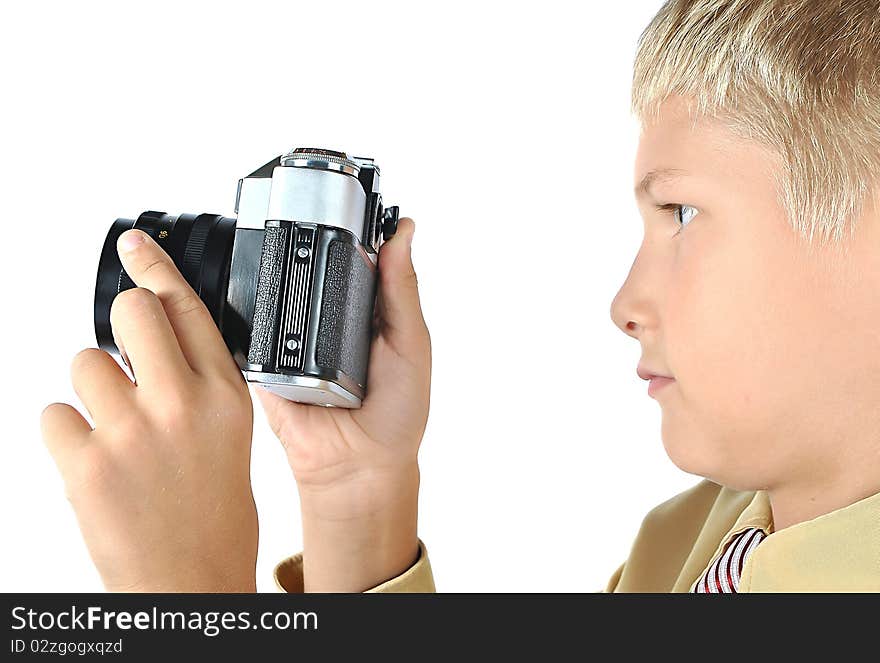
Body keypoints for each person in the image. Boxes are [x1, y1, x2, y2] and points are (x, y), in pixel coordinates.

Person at [40, 0, 880, 593]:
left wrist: (183, 597)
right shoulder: (693, 543)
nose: (625, 301)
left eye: (683, 213)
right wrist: (356, 494)